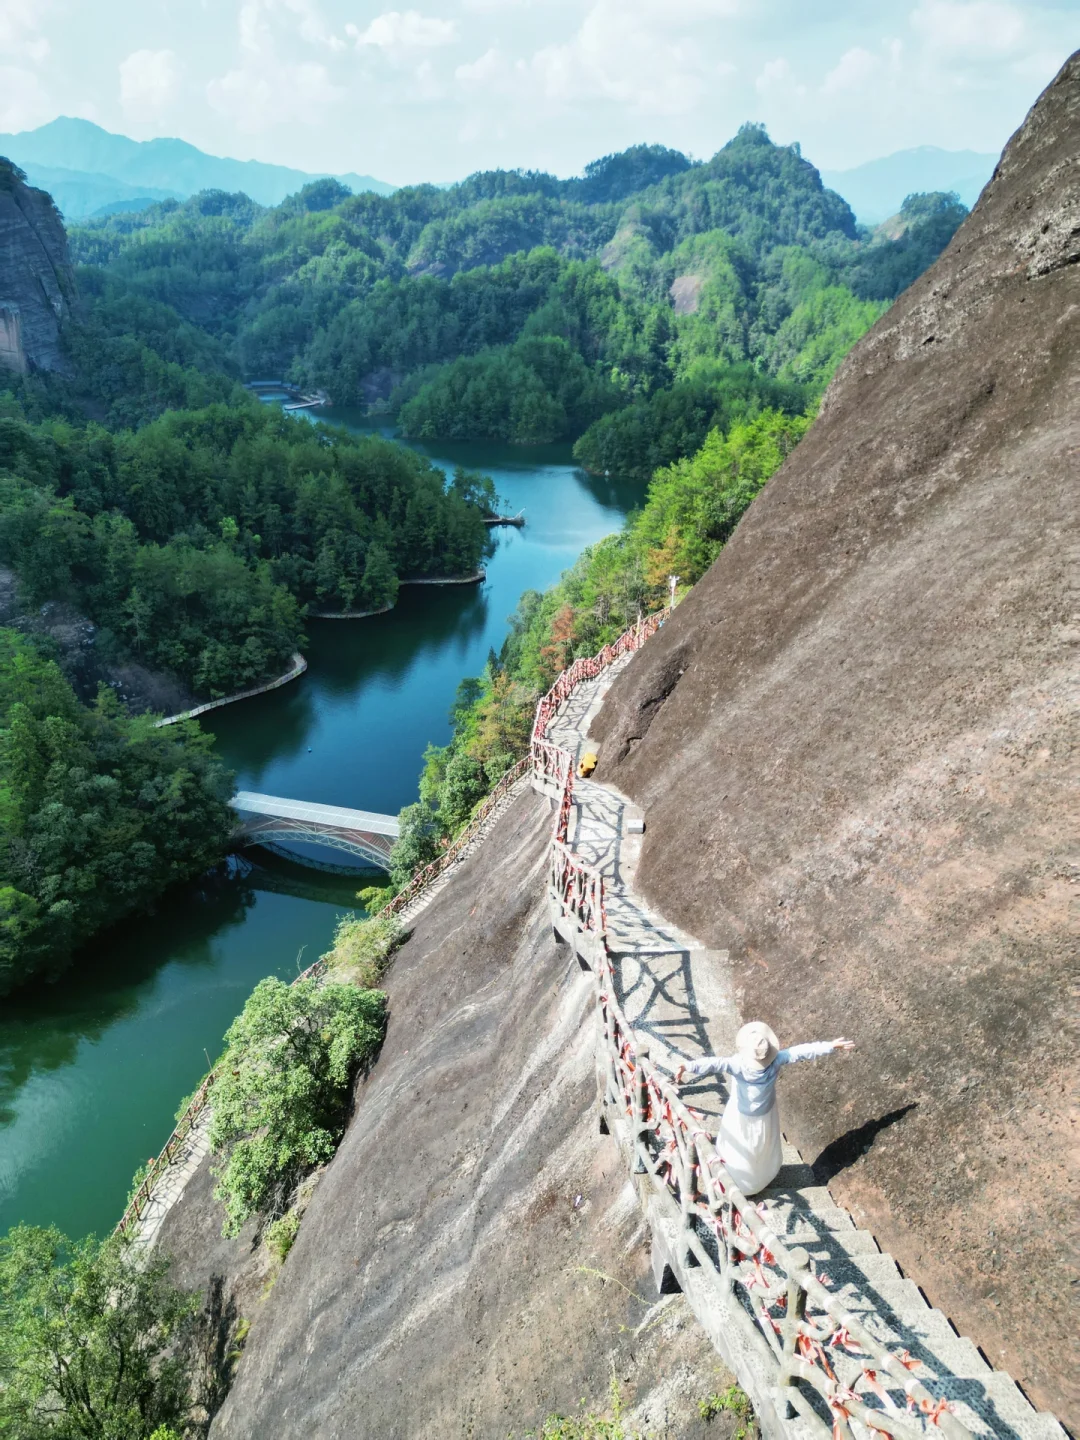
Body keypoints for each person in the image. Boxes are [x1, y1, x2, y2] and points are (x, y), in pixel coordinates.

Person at [674, 1022, 855, 1195]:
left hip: (741, 1115)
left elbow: (715, 1063)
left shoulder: (738, 1064)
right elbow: (801, 1051)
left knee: (739, 1147)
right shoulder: (775, 1061)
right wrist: (831, 1045)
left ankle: (734, 1180)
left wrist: (688, 1066)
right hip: (765, 1115)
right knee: (760, 1148)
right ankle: (757, 1179)